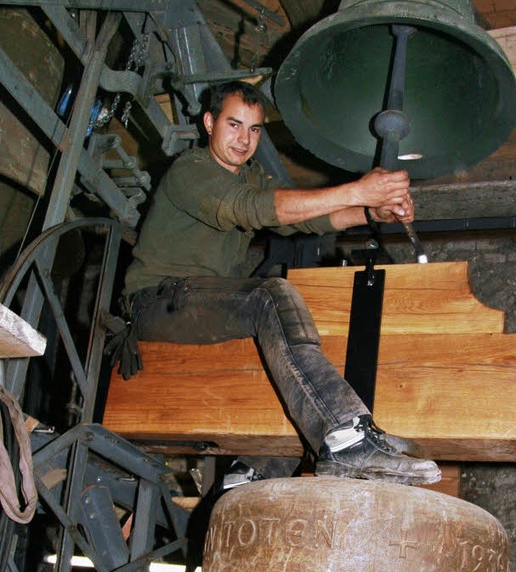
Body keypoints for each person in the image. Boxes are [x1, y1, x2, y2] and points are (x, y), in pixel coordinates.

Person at [118, 80, 441, 489]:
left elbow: (306, 217)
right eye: (233, 125)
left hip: (197, 307)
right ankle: (346, 440)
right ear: (208, 122)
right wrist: (356, 189)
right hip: (155, 305)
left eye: (254, 130)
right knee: (270, 296)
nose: (244, 139)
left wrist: (372, 212)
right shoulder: (191, 170)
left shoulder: (252, 177)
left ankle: (250, 471)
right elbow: (252, 210)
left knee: (288, 346)